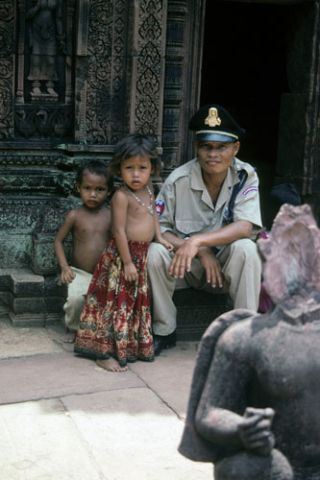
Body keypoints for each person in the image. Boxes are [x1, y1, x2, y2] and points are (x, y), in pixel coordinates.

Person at [179, 203, 320, 480]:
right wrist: (242, 428)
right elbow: (209, 413)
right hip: (273, 465)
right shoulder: (243, 339)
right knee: (241, 468)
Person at [148, 104, 262, 356]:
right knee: (154, 251)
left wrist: (198, 241)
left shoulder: (245, 176)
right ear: (196, 148)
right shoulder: (178, 180)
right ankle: (164, 330)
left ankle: (244, 336)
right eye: (206, 146)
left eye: (221, 147)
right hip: (185, 269)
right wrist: (200, 251)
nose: (214, 154)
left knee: (247, 249)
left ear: (235, 149)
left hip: (223, 271)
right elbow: (160, 231)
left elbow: (245, 226)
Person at [74, 133, 173, 372]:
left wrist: (159, 237)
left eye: (142, 168)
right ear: (119, 168)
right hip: (122, 257)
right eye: (129, 168)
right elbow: (118, 231)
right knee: (113, 306)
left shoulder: (150, 188)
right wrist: (128, 262)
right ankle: (103, 353)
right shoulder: (121, 196)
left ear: (153, 168)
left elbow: (154, 215)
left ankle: (127, 347)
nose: (136, 174)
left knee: (133, 305)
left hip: (142, 255)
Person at [54, 160, 112, 343]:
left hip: (105, 272)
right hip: (79, 272)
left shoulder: (111, 215)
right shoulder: (75, 215)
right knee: (75, 300)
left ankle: (104, 329)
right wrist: (64, 267)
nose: (93, 194)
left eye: (99, 190)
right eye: (88, 188)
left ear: (109, 191)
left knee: (111, 300)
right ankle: (73, 328)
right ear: (78, 187)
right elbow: (58, 241)